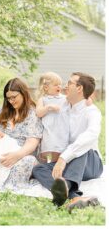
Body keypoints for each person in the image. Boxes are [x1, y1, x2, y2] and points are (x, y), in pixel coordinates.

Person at [31, 72, 103, 210]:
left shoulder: (91, 111)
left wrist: (63, 158)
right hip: (69, 164)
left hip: (90, 163)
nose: (65, 86)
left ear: (79, 88)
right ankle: (74, 196)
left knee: (81, 148)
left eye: (69, 83)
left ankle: (67, 185)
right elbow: (44, 102)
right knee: (39, 169)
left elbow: (90, 136)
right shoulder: (63, 105)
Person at [34, 72, 69, 160]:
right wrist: (48, 107)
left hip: (62, 131)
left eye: (60, 85)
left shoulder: (64, 98)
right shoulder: (43, 99)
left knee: (62, 152)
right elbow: (38, 113)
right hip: (49, 132)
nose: (59, 87)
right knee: (49, 153)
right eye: (56, 85)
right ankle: (49, 165)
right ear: (46, 87)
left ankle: (60, 166)